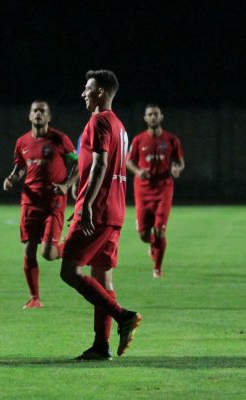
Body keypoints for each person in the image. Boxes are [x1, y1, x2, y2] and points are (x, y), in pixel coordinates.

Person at [60, 70, 141, 361]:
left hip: (99, 209)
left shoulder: (99, 120)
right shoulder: (119, 124)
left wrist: (87, 205)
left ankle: (123, 316)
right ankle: (101, 346)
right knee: (102, 278)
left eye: (88, 88)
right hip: (116, 210)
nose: (84, 93)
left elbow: (100, 164)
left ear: (102, 93)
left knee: (69, 271)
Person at [3, 101, 77, 309]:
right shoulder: (22, 142)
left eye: (42, 111)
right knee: (29, 250)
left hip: (53, 201)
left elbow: (77, 163)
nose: (38, 114)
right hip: (30, 202)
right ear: (29, 115)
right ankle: (35, 297)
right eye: (35, 110)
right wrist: (11, 179)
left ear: (49, 117)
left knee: (48, 253)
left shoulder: (59, 139)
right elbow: (19, 167)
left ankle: (69, 246)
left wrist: (66, 184)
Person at [126, 104, 185, 277]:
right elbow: (129, 161)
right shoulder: (138, 140)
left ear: (161, 117)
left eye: (155, 114)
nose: (153, 117)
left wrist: (177, 169)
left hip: (163, 189)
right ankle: (153, 244)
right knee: (144, 234)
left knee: (160, 230)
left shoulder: (171, 140)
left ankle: (157, 268)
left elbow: (180, 162)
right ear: (145, 118)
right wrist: (138, 171)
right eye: (150, 114)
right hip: (143, 190)